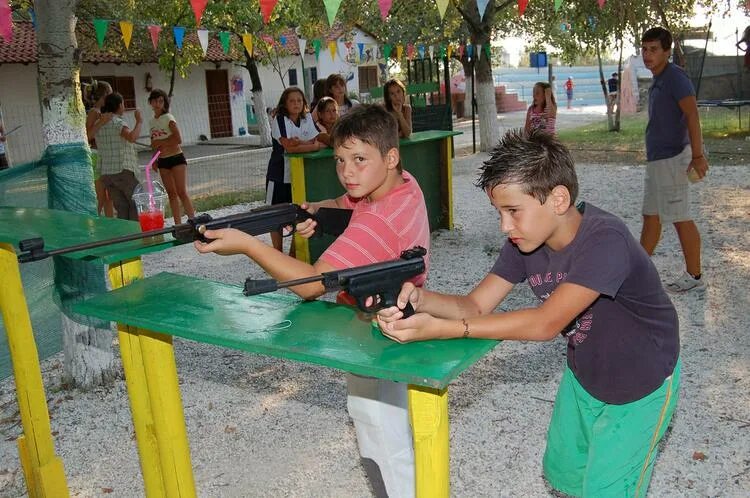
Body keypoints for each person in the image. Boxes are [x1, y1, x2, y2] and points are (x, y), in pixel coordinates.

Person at [377, 129, 680, 498]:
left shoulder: (606, 240)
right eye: (499, 213)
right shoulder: (525, 243)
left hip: (642, 381)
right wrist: (421, 301)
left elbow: (544, 323)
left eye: (513, 211)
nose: (505, 226)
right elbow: (474, 305)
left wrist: (444, 329)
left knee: (609, 489)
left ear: (558, 199)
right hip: (587, 374)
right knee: (565, 474)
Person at [195, 104, 430, 498]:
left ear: (390, 157)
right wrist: (314, 213)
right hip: (391, 325)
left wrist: (248, 245)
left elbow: (309, 284)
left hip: (375, 332)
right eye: (340, 160)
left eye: (359, 160)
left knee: (378, 429)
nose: (347, 172)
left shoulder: (377, 220)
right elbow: (348, 205)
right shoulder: (404, 183)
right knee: (389, 419)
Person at [640, 27, 708, 293]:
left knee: (680, 217)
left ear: (667, 52)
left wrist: (698, 156)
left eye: (654, 49)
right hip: (657, 161)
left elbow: (692, 115)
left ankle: (695, 276)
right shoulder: (658, 79)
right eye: (644, 49)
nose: (647, 55)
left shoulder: (675, 77)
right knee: (651, 218)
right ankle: (637, 271)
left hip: (673, 160)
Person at [265, 87, 322, 254]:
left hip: (299, 174)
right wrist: (311, 146)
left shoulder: (306, 119)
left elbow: (316, 139)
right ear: (284, 103)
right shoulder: (280, 120)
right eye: (292, 101)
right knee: (275, 214)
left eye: (299, 100)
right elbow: (289, 147)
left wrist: (302, 144)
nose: (296, 104)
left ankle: (293, 254)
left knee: (299, 214)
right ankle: (277, 252)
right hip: (279, 175)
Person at [148, 89, 195, 225]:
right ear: (150, 102)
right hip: (162, 160)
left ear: (164, 103)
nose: (157, 104)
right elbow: (154, 143)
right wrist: (154, 159)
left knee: (181, 191)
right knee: (171, 194)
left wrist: (162, 143)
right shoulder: (151, 122)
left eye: (161, 101)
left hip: (176, 157)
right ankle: (178, 224)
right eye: (155, 100)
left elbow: (178, 139)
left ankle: (193, 221)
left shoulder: (168, 118)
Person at [96, 93, 142, 220]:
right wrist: (139, 122)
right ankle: (135, 234)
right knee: (134, 204)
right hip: (122, 170)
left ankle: (125, 236)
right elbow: (132, 137)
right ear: (119, 105)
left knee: (121, 206)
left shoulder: (100, 124)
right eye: (123, 103)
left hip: (107, 173)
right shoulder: (118, 123)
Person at [84, 79, 114, 215]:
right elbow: (87, 136)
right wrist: (101, 122)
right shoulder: (94, 113)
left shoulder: (102, 112)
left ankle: (110, 225)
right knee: (100, 197)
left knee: (109, 196)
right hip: (95, 156)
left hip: (104, 156)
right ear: (105, 95)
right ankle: (94, 224)